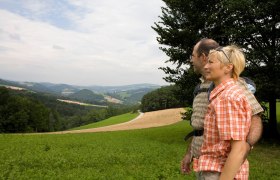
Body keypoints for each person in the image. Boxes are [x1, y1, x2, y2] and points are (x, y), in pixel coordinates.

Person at [180, 39, 263, 179]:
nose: (191, 60)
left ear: (203, 56)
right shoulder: (204, 86)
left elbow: (255, 116)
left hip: (221, 166)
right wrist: (190, 153)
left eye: (193, 55)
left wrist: (244, 148)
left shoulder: (231, 90)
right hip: (205, 161)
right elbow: (200, 128)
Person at [195, 45, 254, 179]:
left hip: (219, 172)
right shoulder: (225, 95)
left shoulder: (227, 98)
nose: (205, 67)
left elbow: (238, 149)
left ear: (228, 67)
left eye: (211, 62)